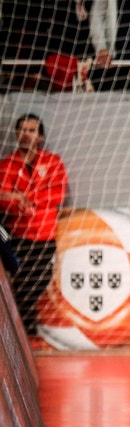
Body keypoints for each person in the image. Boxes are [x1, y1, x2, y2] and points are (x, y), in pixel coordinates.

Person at [0, 114, 68, 341]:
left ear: (40, 136)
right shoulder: (7, 164)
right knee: (20, 280)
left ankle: (23, 327)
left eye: (31, 130)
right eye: (22, 130)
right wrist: (16, 202)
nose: (25, 134)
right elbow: (3, 197)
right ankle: (26, 330)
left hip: (44, 232)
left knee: (41, 279)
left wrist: (27, 198)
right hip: (18, 233)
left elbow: (57, 193)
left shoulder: (53, 162)